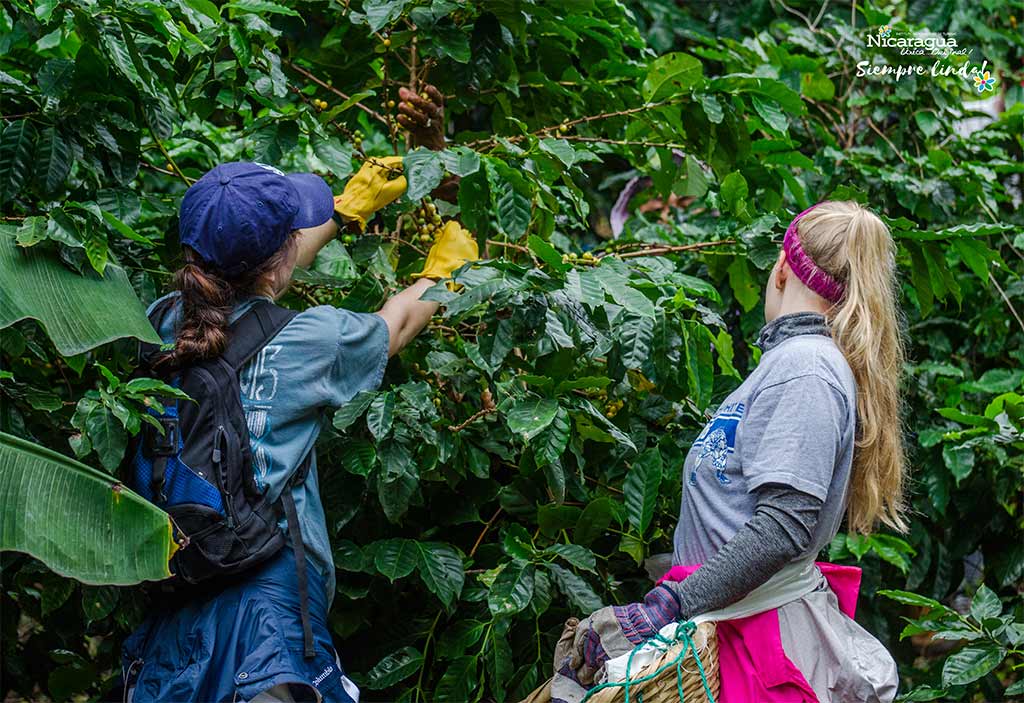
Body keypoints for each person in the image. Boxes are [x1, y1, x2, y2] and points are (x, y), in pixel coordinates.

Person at [120, 156, 477, 700]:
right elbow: (398, 322)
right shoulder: (316, 340)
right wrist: (444, 273)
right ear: (281, 257)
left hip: (177, 596)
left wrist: (342, 214)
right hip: (267, 612)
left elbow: (250, 279)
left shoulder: (159, 319)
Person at [554, 201, 906, 703]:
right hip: (729, 624)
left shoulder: (807, 369)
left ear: (782, 268)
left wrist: (670, 605)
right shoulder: (791, 362)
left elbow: (784, 525)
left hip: (755, 639)